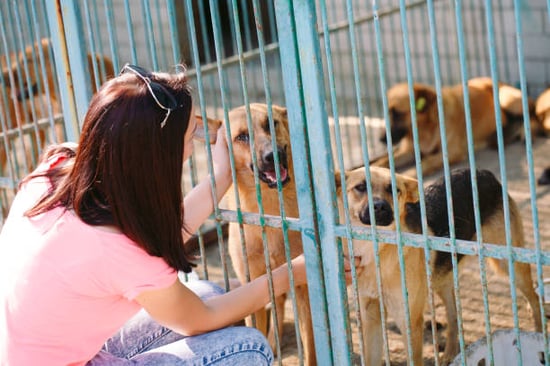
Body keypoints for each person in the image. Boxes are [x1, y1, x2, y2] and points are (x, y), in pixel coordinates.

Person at [0, 64, 354, 365]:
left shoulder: (59, 167)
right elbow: (199, 320)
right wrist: (293, 272)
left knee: (209, 293)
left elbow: (148, 239)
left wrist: (221, 179)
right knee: (249, 347)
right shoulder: (116, 250)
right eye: (189, 139)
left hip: (51, 351)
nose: (195, 146)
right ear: (158, 156)